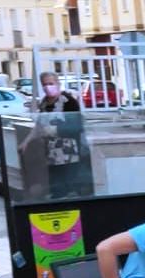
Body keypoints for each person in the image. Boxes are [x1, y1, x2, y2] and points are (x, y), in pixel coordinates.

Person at [29, 71, 92, 200]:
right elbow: (39, 126)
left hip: (69, 152)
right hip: (50, 152)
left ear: (58, 83)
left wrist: (53, 130)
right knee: (56, 184)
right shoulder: (44, 103)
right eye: (45, 84)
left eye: (51, 83)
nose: (48, 87)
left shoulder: (68, 101)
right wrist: (26, 142)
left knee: (68, 184)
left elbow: (76, 125)